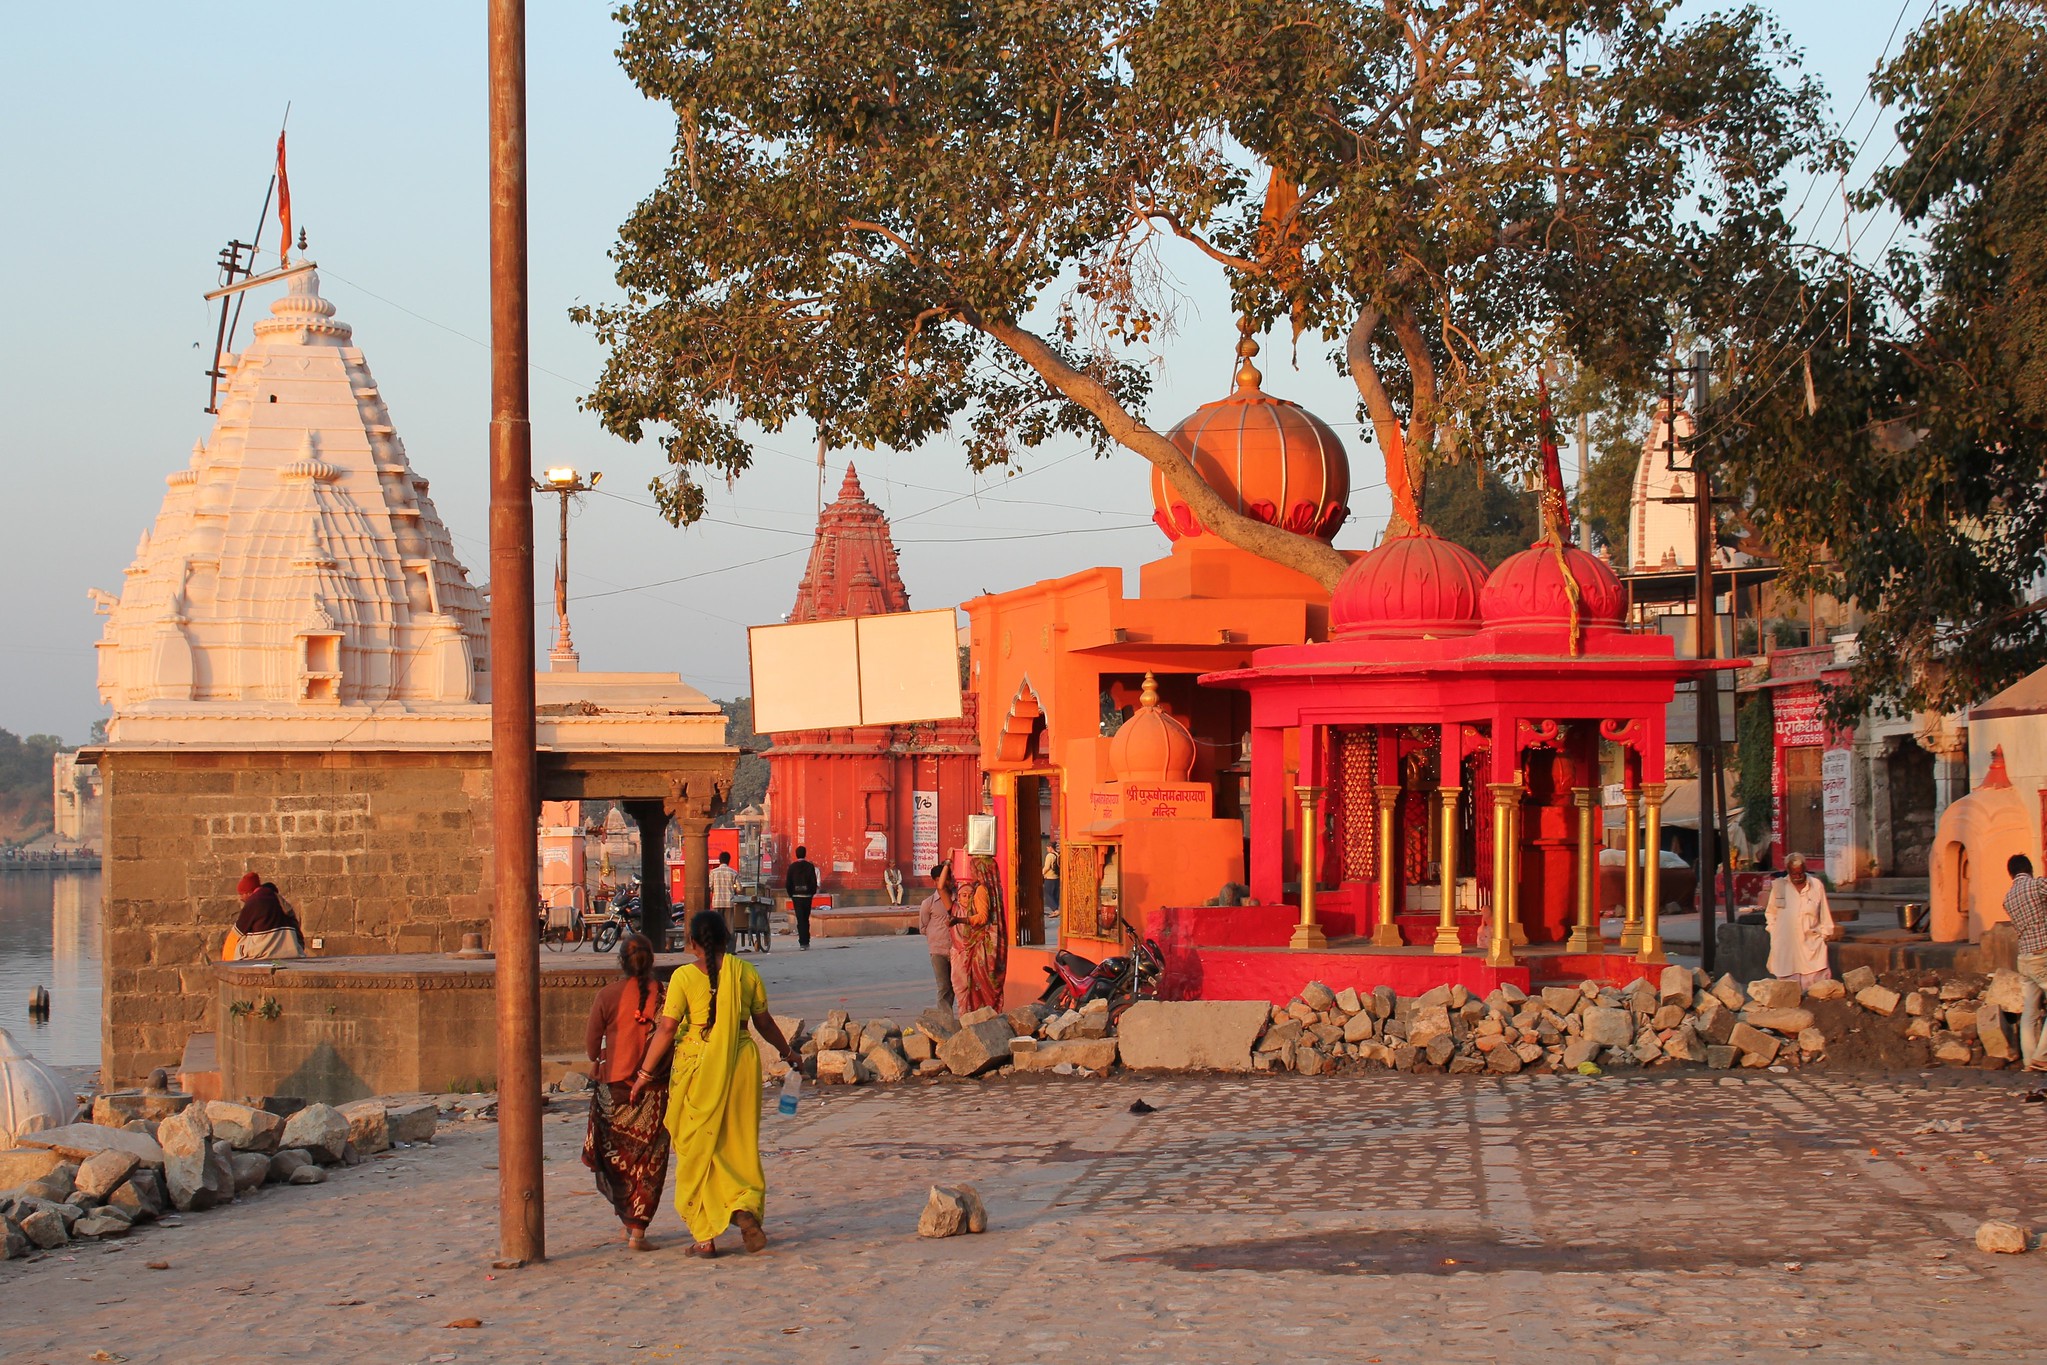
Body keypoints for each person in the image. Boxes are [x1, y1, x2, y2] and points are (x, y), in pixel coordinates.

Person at [630, 910, 800, 1258]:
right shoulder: (746, 972)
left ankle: (705, 1236)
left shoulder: (682, 978)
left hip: (696, 1067)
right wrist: (788, 1052)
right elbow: (764, 1023)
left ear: (692, 942)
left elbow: (665, 1029)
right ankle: (742, 1206)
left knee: (698, 1148)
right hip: (741, 1063)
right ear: (727, 939)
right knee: (737, 1143)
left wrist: (643, 1075)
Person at [581, 933, 671, 1250]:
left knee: (616, 1158)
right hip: (655, 1088)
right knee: (649, 1163)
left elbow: (592, 1046)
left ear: (621, 961)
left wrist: (600, 1059)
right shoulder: (666, 994)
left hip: (614, 1089)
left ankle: (626, 1218)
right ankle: (638, 1231)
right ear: (652, 961)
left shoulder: (607, 995)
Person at [2000, 854, 2047, 1070]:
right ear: (2030, 869)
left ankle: (2029, 1062)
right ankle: (2042, 1056)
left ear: (2011, 873)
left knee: (2030, 1011)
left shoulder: (2008, 898)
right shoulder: (2036, 886)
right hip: (2042, 954)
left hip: (2024, 958)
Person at [1764, 853, 1838, 988]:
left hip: (1811, 942)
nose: (1798, 877)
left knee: (1817, 983)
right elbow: (1770, 913)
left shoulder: (1816, 885)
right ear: (1788, 871)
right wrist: (1774, 932)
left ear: (1805, 869)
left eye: (1800, 873)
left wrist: (1824, 933)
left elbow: (1824, 913)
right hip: (1786, 944)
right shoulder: (1779, 886)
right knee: (1787, 981)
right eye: (1794, 874)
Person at [951, 855, 1007, 1013]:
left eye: (974, 870)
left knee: (981, 984)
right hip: (994, 940)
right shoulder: (995, 888)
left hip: (983, 943)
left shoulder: (982, 890)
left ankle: (981, 1016)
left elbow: (982, 918)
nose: (972, 873)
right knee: (990, 983)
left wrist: (959, 920)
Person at [233, 872, 304, 959]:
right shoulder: (282, 903)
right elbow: (296, 927)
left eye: (241, 894)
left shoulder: (254, 902)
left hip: (263, 954)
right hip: (291, 952)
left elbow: (236, 933)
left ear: (249, 892)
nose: (240, 898)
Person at [917, 863, 957, 1009]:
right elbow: (923, 927)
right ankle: (944, 1019)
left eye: (949, 878)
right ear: (936, 880)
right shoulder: (928, 903)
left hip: (957, 950)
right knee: (944, 987)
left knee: (959, 986)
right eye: (944, 879)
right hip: (938, 950)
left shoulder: (958, 898)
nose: (948, 882)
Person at [785, 845, 820, 951]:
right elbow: (813, 882)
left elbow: (788, 883)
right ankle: (806, 941)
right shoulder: (810, 866)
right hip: (807, 896)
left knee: (800, 919)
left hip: (796, 896)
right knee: (806, 918)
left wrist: (791, 894)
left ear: (796, 854)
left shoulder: (792, 867)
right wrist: (811, 892)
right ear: (805, 854)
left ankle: (802, 942)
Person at [709, 851, 738, 915]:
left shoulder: (713, 872)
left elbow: (709, 887)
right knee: (729, 924)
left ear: (719, 860)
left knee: (717, 924)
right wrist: (734, 890)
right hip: (729, 903)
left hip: (717, 903)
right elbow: (739, 889)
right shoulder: (734, 873)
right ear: (729, 860)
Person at [1041, 839, 1061, 924]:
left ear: (1050, 847)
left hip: (1049, 877)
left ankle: (1055, 910)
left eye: (1047, 847)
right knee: (1055, 894)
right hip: (1056, 877)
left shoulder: (1049, 856)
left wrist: (1042, 873)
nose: (1047, 849)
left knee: (1048, 894)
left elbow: (1047, 867)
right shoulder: (1057, 854)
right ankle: (1055, 909)